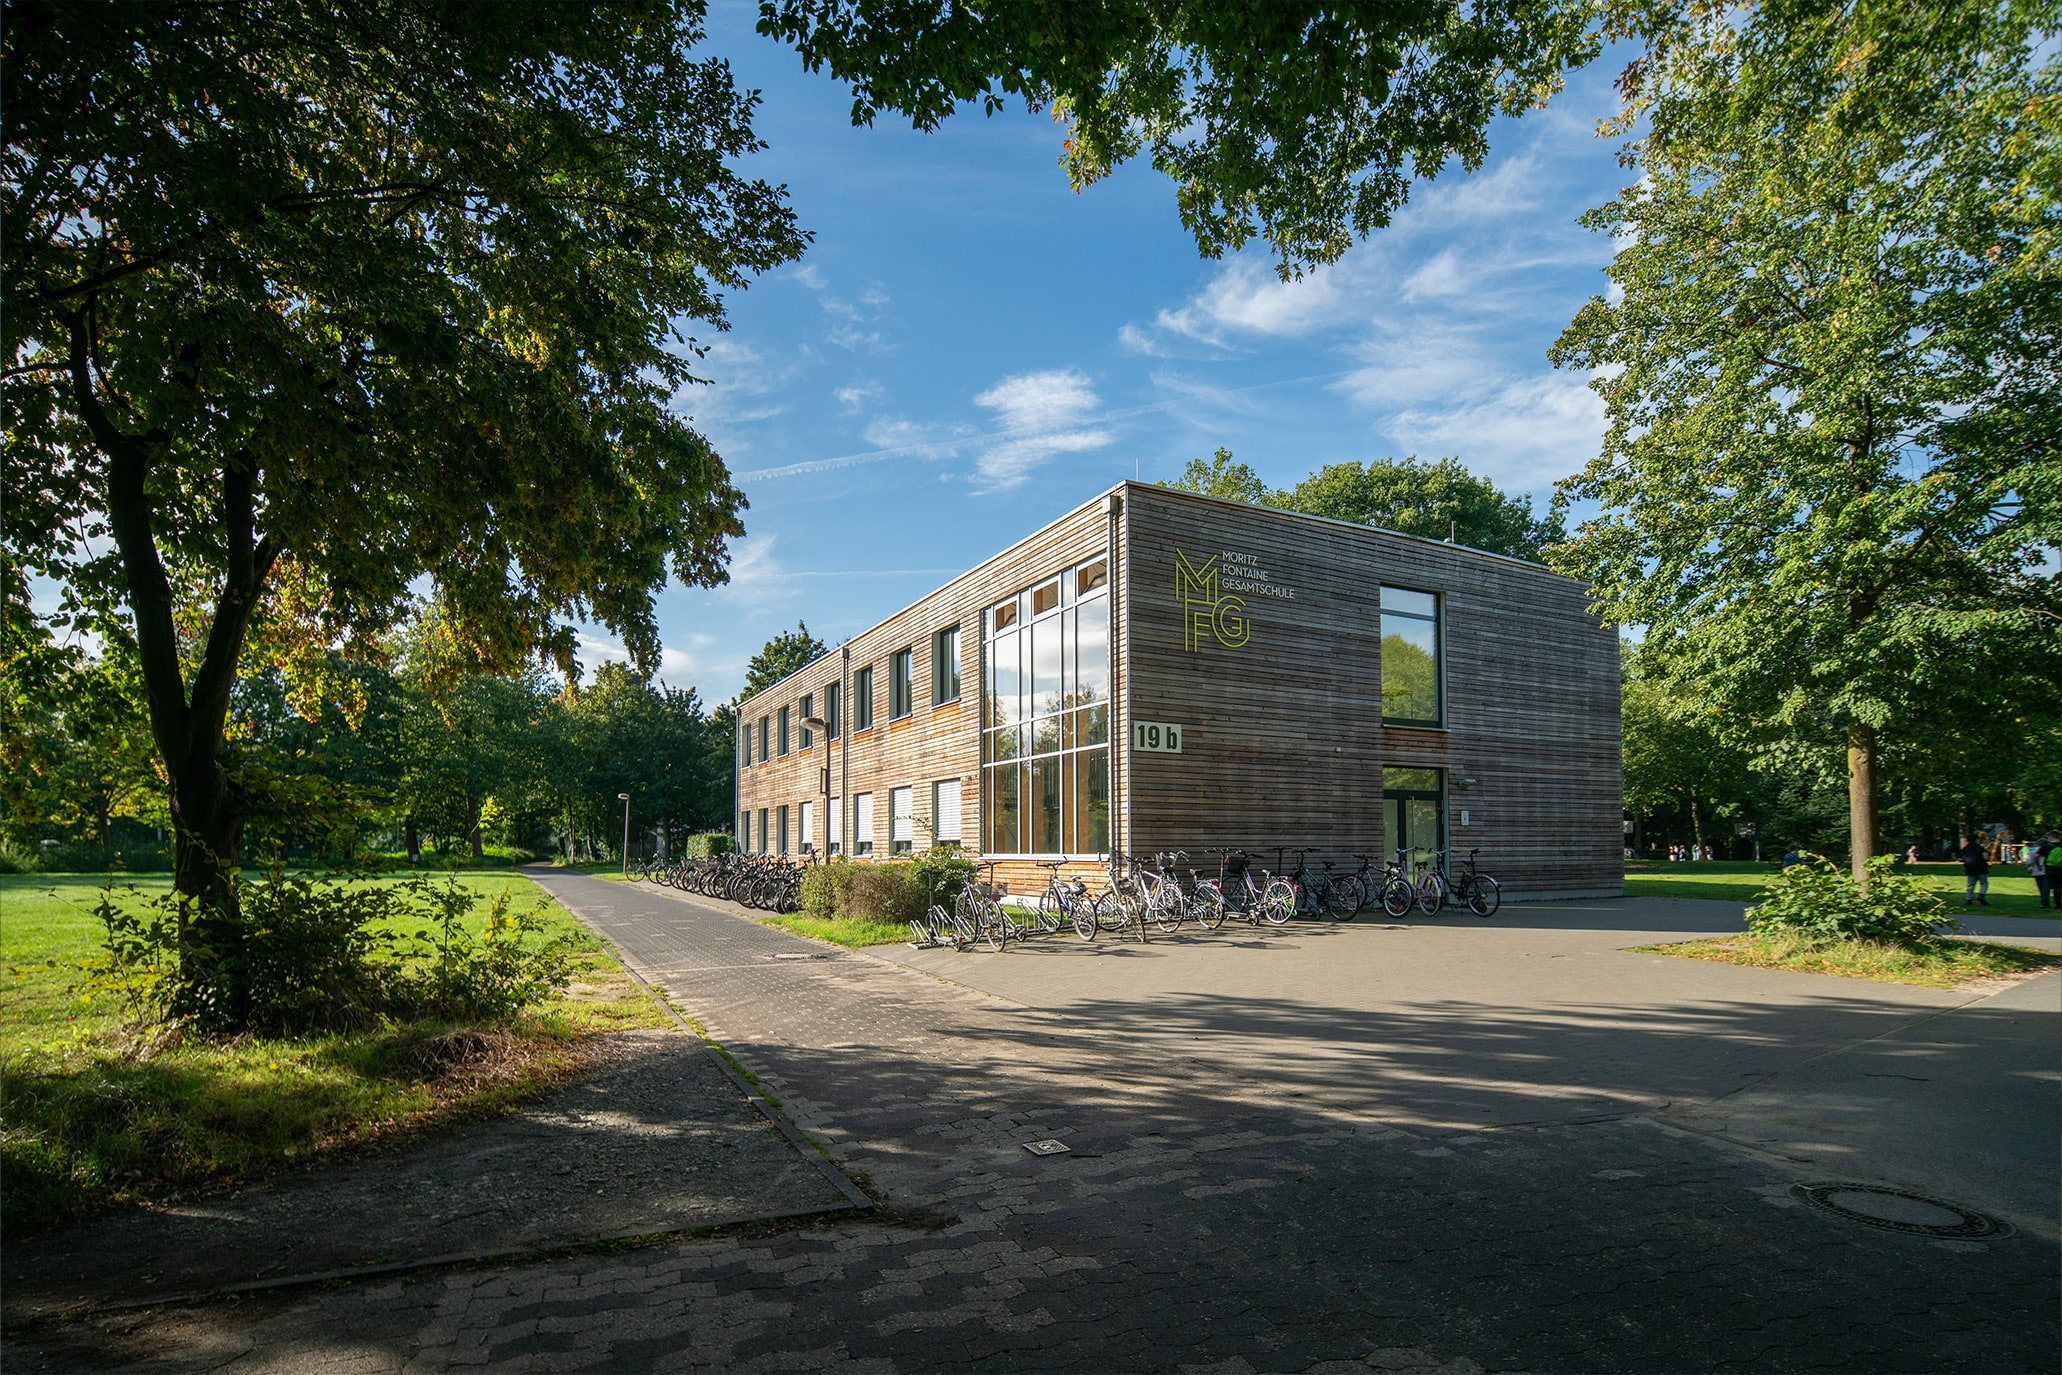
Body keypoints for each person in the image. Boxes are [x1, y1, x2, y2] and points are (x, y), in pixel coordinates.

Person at [1957, 834, 1990, 906]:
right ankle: (1981, 895)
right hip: (1981, 868)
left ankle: (1968, 899)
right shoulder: (1980, 848)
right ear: (1976, 840)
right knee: (1984, 883)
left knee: (1970, 885)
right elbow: (1986, 857)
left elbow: (1960, 859)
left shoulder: (1965, 849)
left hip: (1970, 868)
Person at [2032, 831, 2059, 911]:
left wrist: (2038, 865)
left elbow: (2036, 856)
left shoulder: (2047, 846)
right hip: (2060, 869)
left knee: (2045, 887)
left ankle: (2044, 903)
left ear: (2050, 837)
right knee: (2057, 887)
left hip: (2049, 869)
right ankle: (2058, 905)